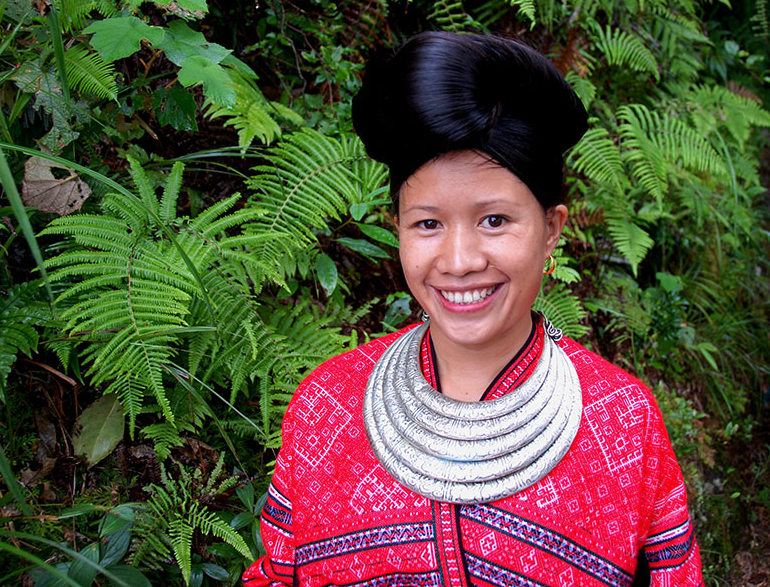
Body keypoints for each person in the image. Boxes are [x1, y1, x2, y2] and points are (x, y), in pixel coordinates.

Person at [242, 32, 703, 586]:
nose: (459, 262)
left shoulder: (624, 423)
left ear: (551, 229)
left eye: (494, 220)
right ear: (397, 229)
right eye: (428, 223)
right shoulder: (326, 406)